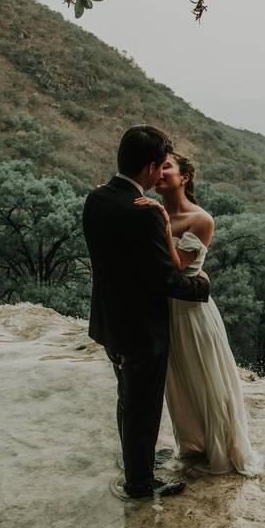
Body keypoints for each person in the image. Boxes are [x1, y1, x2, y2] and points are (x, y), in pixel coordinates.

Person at [82, 125, 211, 500]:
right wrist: (202, 284)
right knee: (143, 407)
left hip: (109, 321)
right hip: (142, 329)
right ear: (151, 167)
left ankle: (136, 461)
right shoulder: (146, 213)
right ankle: (139, 484)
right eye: (160, 167)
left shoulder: (96, 199)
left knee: (128, 399)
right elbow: (167, 282)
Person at [132, 152, 263, 476]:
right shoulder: (149, 210)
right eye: (157, 165)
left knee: (206, 380)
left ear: (184, 176)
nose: (160, 171)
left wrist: (161, 219)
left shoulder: (200, 219)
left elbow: (177, 265)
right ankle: (195, 445)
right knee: (181, 384)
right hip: (163, 313)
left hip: (192, 314)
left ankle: (221, 450)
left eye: (167, 166)